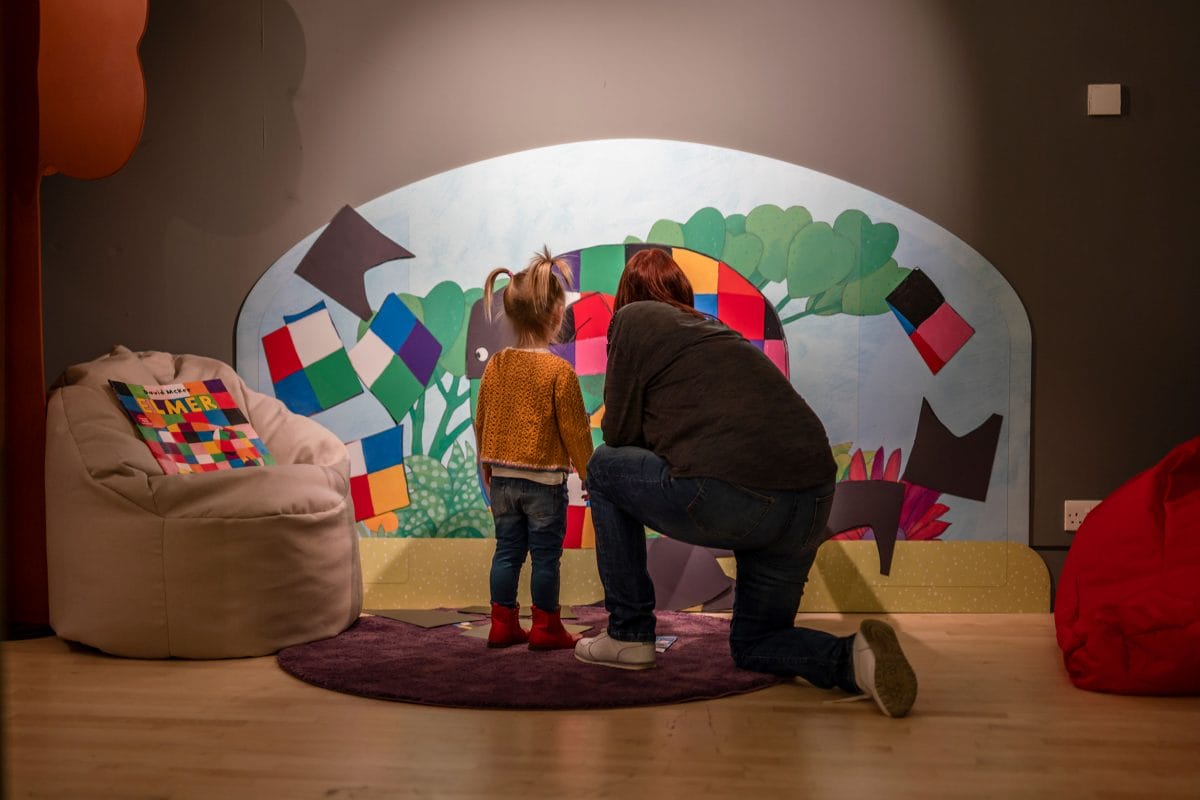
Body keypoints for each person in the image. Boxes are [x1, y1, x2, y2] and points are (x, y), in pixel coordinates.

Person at [574, 247, 918, 718]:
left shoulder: (633, 318)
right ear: (684, 295)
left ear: (627, 296)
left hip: (730, 494)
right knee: (757, 643)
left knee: (604, 465)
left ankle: (629, 634)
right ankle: (853, 659)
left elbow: (619, 435)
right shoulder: (717, 332)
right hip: (811, 499)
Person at [474, 247, 594, 650]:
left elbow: (482, 419)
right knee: (545, 558)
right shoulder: (559, 370)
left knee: (506, 553)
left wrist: (486, 463)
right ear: (557, 315)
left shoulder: (496, 365)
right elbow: (576, 430)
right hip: (544, 482)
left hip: (503, 481)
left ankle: (501, 624)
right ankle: (545, 628)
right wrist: (589, 471)